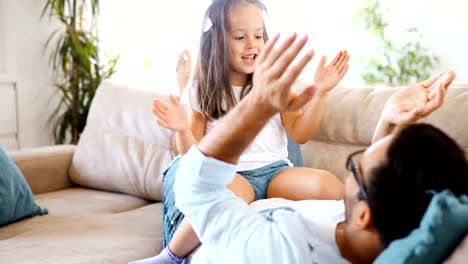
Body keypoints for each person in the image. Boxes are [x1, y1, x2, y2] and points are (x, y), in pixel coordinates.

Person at [166, 31, 467, 263]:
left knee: (196, 159)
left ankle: (189, 92)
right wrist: (388, 119)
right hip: (262, 193)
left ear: (363, 217)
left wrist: (257, 106)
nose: (350, 170)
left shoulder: (280, 249)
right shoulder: (373, 231)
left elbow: (200, 190)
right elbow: (376, 192)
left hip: (201, 222)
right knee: (289, 143)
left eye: (354, 166)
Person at [130, 1, 350, 263]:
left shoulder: (276, 83)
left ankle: (373, 224)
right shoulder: (200, 90)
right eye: (239, 37)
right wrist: (181, 129)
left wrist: (321, 91)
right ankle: (170, 256)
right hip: (233, 175)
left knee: (325, 183)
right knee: (218, 198)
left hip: (275, 171)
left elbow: (300, 133)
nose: (252, 44)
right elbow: (194, 156)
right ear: (216, 42)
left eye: (258, 35)